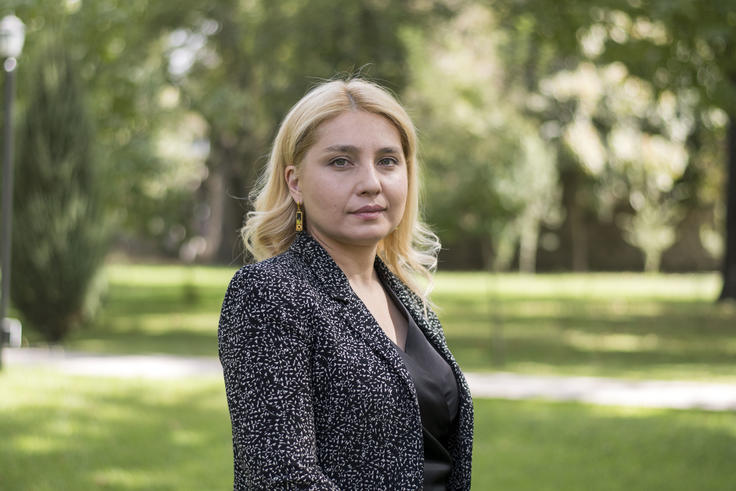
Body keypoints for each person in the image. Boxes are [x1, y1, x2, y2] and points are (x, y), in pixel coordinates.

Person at [218, 77, 474, 490]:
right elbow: (283, 477)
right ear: (295, 183)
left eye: (387, 161)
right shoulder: (270, 293)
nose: (371, 182)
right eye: (341, 161)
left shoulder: (408, 297)